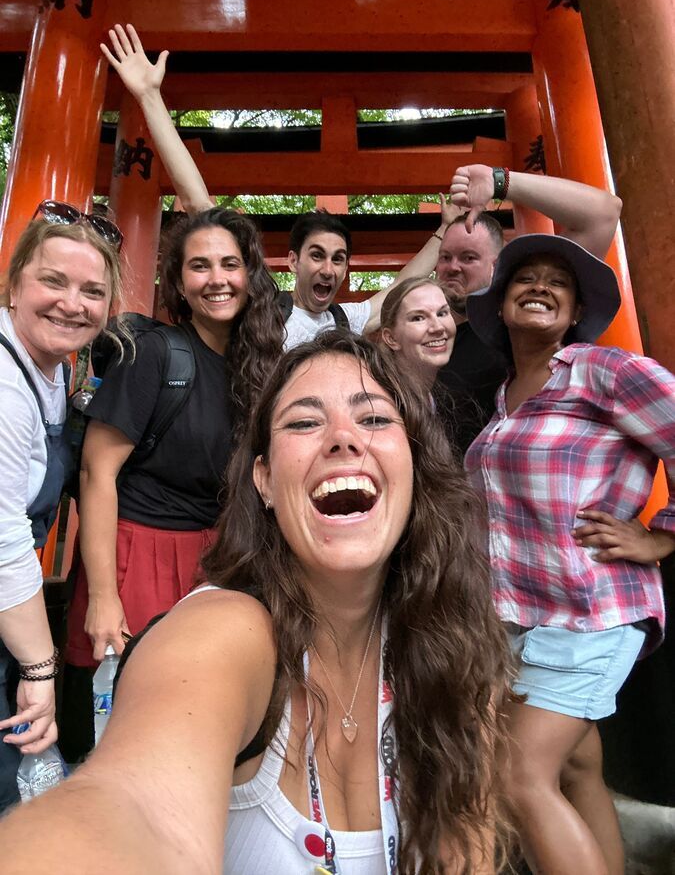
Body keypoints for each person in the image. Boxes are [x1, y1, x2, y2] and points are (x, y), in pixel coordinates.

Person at [0, 331, 514, 874]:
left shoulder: (452, 646)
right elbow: (131, 809)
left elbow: (467, 850)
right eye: (304, 422)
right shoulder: (228, 630)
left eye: (375, 419)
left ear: (415, 463)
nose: (343, 438)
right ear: (264, 480)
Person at [464, 233, 675, 875]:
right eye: (524, 278)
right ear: (499, 307)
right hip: (524, 618)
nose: (541, 286)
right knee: (579, 767)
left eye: (559, 282)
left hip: (593, 611)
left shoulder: (601, 370)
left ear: (575, 310)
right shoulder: (503, 400)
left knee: (518, 775)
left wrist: (662, 535)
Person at [63, 208, 284, 749]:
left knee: (197, 728)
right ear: (179, 284)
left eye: (231, 264)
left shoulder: (258, 364)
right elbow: (97, 472)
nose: (217, 280)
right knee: (125, 731)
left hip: (217, 562)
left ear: (250, 275)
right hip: (140, 554)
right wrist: (105, 597)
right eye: (199, 266)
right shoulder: (157, 354)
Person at [99, 24, 459, 350]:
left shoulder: (346, 321)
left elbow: (401, 286)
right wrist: (149, 96)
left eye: (338, 259)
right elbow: (198, 204)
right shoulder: (264, 309)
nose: (328, 269)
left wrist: (444, 230)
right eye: (317, 255)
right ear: (292, 261)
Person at [0, 205, 122, 810]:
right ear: (15, 279)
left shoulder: (55, 366)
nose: (72, 304)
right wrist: (40, 668)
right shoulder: (3, 381)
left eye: (92, 291)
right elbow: (2, 541)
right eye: (53, 281)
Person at [434, 164, 623, 454]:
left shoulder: (523, 327)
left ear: (499, 268)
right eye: (444, 257)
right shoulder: (429, 338)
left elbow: (604, 213)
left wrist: (499, 182)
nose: (452, 267)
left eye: (468, 257)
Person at [379, 274, 455, 409]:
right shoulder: (381, 402)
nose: (438, 327)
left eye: (442, 313)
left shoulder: (427, 396)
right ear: (391, 338)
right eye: (418, 318)